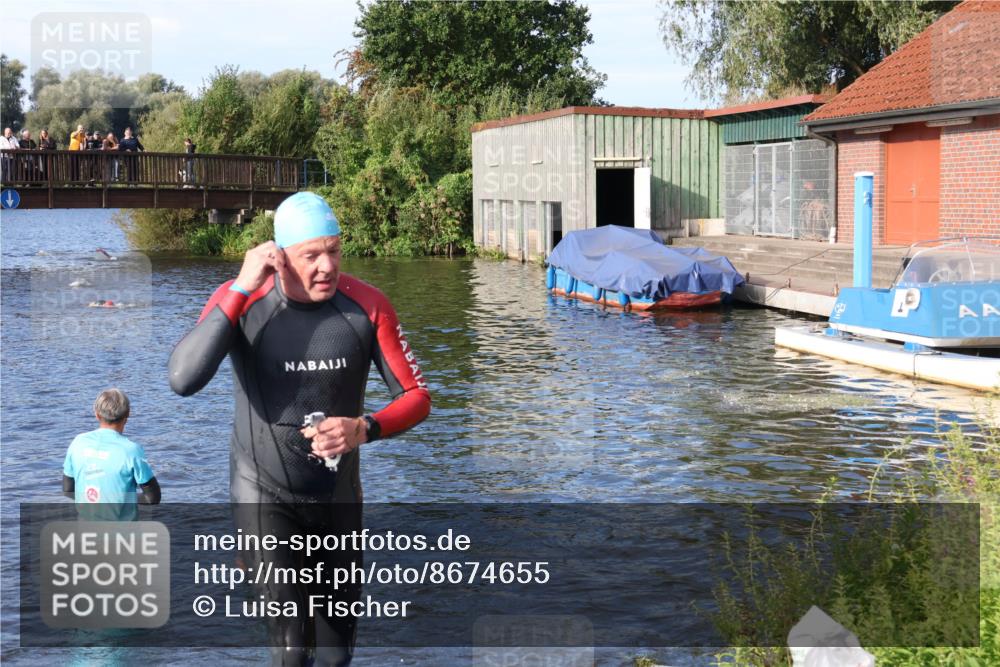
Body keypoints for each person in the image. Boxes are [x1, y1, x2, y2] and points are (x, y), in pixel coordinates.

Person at [168, 192, 431, 666]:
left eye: (334, 250)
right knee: (291, 649)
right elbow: (183, 379)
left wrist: (364, 428)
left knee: (336, 655)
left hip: (337, 499)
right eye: (312, 255)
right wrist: (241, 287)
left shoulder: (367, 307)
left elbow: (417, 398)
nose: (327, 265)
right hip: (262, 495)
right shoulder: (244, 302)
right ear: (279, 255)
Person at [62, 388, 161, 521]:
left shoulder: (77, 442)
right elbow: (152, 498)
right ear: (127, 415)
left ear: (97, 414)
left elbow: (68, 490)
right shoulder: (132, 450)